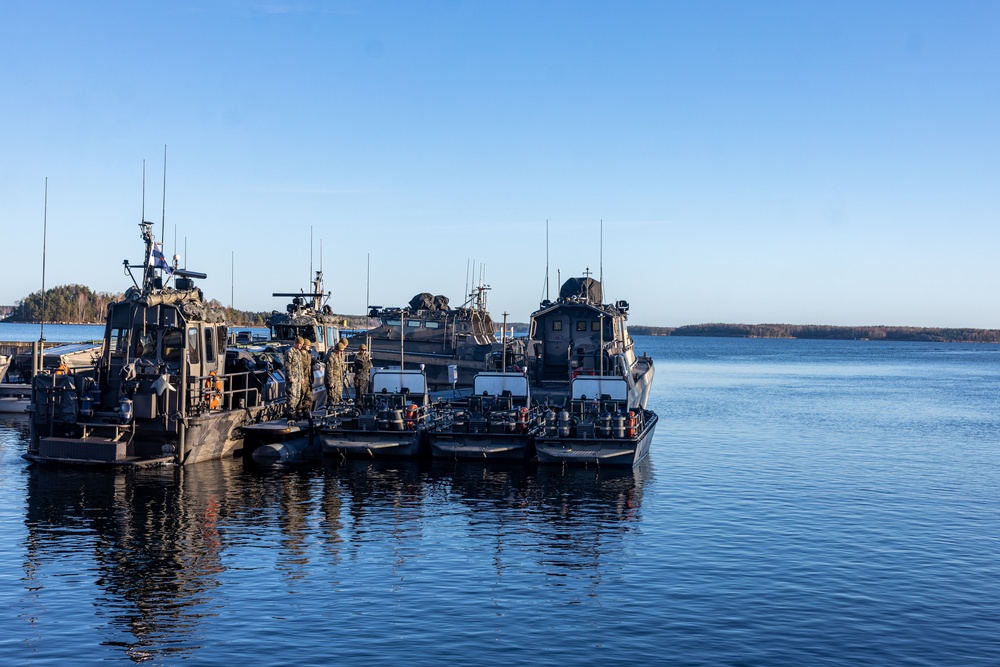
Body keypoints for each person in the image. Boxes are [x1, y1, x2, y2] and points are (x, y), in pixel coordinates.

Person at [284, 336, 305, 417]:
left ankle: (294, 410)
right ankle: (290, 412)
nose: (300, 346)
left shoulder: (298, 353)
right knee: (291, 395)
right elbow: (287, 365)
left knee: (297, 395)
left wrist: (302, 377)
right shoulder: (289, 352)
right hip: (292, 377)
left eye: (302, 345)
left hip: (298, 378)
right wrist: (290, 376)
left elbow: (300, 366)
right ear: (296, 343)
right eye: (299, 344)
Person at [325, 340, 347, 405]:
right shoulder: (331, 356)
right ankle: (331, 411)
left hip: (338, 379)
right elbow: (329, 370)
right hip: (333, 379)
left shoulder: (339, 356)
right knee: (332, 396)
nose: (342, 352)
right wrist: (331, 382)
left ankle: (336, 410)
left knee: (338, 396)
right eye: (341, 351)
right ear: (337, 349)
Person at [299, 338, 315, 415]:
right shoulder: (299, 356)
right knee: (300, 396)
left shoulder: (308, 356)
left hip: (308, 379)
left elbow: (310, 368)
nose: (309, 347)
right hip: (301, 379)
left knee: (309, 397)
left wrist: (311, 377)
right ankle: (298, 412)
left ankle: (306, 411)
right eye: (308, 345)